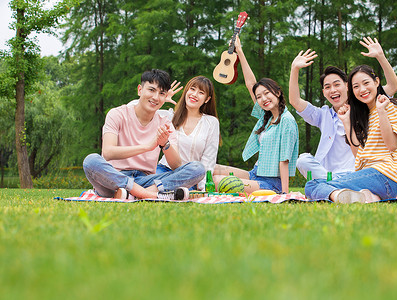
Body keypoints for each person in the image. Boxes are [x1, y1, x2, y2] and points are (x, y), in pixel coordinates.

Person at [305, 37, 397, 203]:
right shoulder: (362, 114)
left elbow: (392, 145)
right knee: (312, 185)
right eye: (356, 86)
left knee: (313, 186)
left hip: (384, 175)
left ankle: (337, 196)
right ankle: (367, 198)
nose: (362, 89)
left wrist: (380, 56)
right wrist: (346, 122)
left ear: (376, 82)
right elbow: (358, 154)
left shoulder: (389, 105)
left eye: (366, 83)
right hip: (372, 178)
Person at [83, 69, 205, 200]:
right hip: (114, 178)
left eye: (162, 93)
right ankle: (147, 195)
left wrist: (165, 144)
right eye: (151, 90)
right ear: (140, 90)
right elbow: (108, 152)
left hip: (147, 180)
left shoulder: (165, 124)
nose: (156, 97)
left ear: (165, 97)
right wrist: (147, 146)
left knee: (197, 169)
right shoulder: (117, 114)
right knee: (91, 161)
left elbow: (176, 165)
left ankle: (132, 194)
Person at [214, 36, 299, 194]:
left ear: (278, 93)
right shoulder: (266, 116)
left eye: (267, 93)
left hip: (272, 183)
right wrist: (239, 51)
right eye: (259, 97)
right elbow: (250, 84)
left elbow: (284, 160)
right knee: (212, 169)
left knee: (219, 182)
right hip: (255, 173)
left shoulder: (287, 120)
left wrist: (285, 194)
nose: (263, 99)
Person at [130, 76, 220, 191]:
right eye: (192, 89)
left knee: (198, 169)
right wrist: (161, 99)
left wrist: (202, 188)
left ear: (207, 99)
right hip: (163, 171)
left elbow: (209, 159)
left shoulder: (211, 123)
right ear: (186, 91)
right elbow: (132, 107)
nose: (194, 94)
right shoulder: (168, 116)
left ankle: (145, 191)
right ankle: (154, 190)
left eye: (201, 92)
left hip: (188, 175)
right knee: (138, 178)